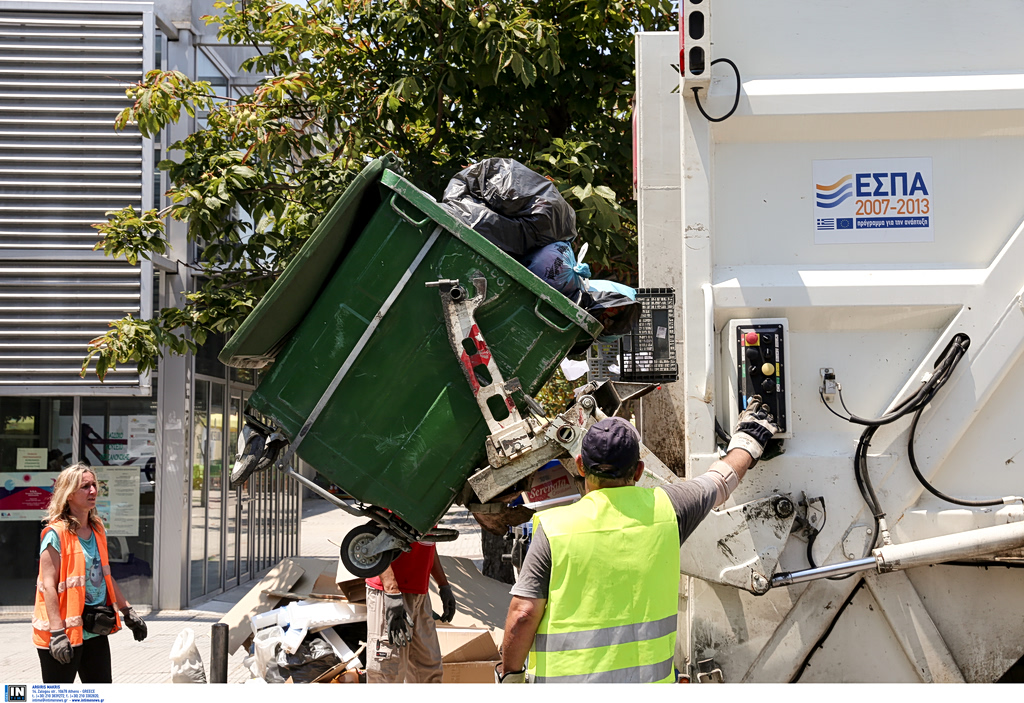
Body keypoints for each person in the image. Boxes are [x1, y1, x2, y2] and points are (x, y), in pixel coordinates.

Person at [496, 396, 780, 684]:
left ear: (580, 465)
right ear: (640, 471)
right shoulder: (669, 508)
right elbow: (720, 481)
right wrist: (750, 437)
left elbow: (523, 615)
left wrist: (510, 677)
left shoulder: (554, 528)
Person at [33, 463, 148, 683]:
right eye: (85, 486)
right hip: (63, 633)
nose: (93, 491)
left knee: (101, 693)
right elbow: (48, 586)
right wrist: (57, 634)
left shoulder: (97, 528)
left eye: (94, 485)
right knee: (59, 697)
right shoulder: (54, 534)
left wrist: (128, 611)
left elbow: (106, 575)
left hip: (94, 628)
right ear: (68, 494)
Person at [365, 539, 458, 683]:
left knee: (429, 672)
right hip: (391, 593)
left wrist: (443, 585)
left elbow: (427, 542)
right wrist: (391, 590)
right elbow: (375, 539)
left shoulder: (430, 515)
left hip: (419, 592)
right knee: (388, 673)